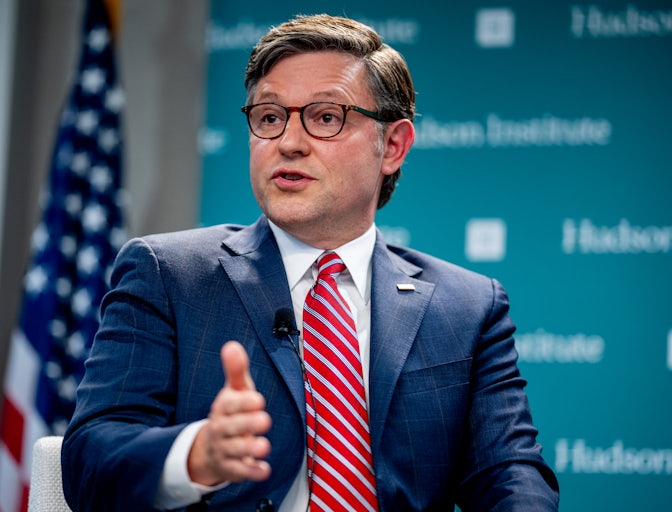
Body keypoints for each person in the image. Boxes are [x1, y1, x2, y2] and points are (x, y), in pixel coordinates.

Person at [61, 13, 559, 512]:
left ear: (393, 146)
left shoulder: (469, 307)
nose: (289, 142)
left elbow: (508, 474)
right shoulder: (169, 276)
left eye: (326, 117)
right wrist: (195, 456)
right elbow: (90, 461)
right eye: (270, 117)